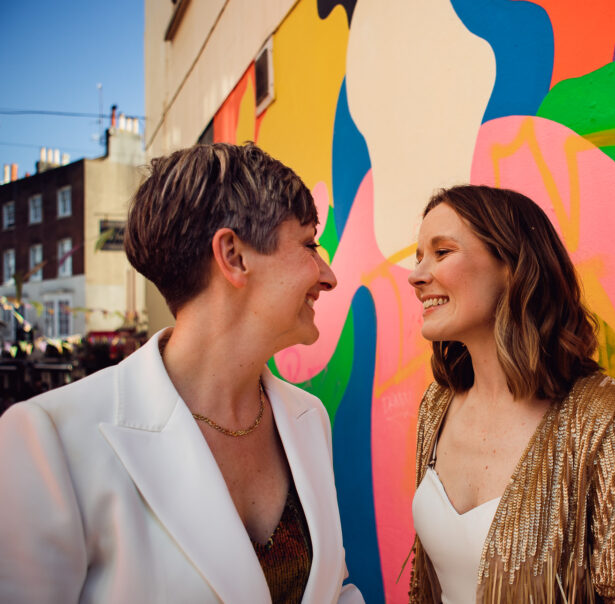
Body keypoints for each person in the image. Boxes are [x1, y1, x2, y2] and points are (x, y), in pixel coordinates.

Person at [0, 143, 363, 604]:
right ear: (233, 255)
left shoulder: (308, 417)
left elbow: (334, 590)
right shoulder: (50, 438)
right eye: (310, 244)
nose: (328, 275)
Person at [407, 185, 615, 602]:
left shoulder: (607, 418)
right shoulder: (436, 407)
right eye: (419, 256)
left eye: (442, 253)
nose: (417, 275)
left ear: (512, 267)